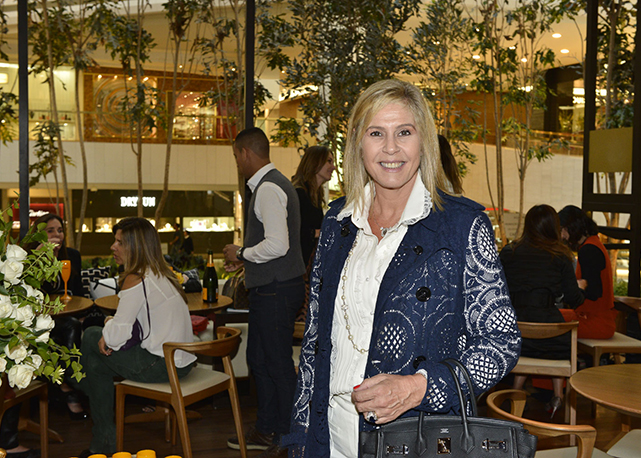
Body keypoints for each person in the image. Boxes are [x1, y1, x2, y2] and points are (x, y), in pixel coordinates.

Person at [282, 79, 521, 458]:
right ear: (357, 144)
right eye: (376, 133)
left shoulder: (460, 226)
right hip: (331, 435)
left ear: (423, 141)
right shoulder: (336, 222)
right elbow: (314, 342)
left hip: (415, 435)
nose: (391, 148)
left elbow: (501, 341)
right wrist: (300, 435)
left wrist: (419, 387)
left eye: (404, 132)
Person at [76, 217, 196, 456]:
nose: (113, 247)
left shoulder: (137, 278)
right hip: (181, 362)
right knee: (96, 365)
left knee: (90, 335)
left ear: (136, 246)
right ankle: (102, 442)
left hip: (161, 365)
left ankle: (74, 386)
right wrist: (111, 329)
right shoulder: (162, 274)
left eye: (119, 242)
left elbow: (115, 337)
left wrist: (107, 323)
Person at [223, 127, 306, 458]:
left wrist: (242, 253)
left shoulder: (268, 188)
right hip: (275, 287)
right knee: (261, 360)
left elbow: (277, 245)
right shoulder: (273, 184)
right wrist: (247, 261)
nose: (237, 163)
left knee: (275, 363)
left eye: (236, 156)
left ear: (245, 153)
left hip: (275, 290)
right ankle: (268, 427)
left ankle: (288, 435)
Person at [499, 204, 585, 416]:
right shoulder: (561, 256)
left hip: (515, 334)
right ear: (553, 227)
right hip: (549, 336)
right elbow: (574, 299)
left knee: (533, 332)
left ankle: (515, 394)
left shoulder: (509, 252)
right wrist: (582, 289)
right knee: (557, 333)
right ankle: (558, 396)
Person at [23, 213, 88, 421]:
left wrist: (83, 313)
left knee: (81, 324)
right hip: (39, 317)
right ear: (39, 234)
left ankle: (65, 385)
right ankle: (70, 382)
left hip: (68, 312)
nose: (57, 235)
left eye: (60, 230)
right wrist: (42, 258)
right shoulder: (29, 258)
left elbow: (79, 292)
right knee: (70, 326)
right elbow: (31, 292)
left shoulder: (72, 256)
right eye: (50, 231)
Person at [558, 205, 617, 339]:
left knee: (546, 320)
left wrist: (575, 287)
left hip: (595, 322)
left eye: (562, 230)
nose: (562, 236)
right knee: (549, 316)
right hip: (597, 318)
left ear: (571, 227)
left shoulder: (588, 250)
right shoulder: (593, 244)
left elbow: (593, 292)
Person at [291, 145, 336, 267]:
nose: (333, 167)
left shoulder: (315, 194)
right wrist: (321, 232)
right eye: (329, 161)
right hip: (297, 266)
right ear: (315, 163)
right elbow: (293, 231)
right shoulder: (299, 194)